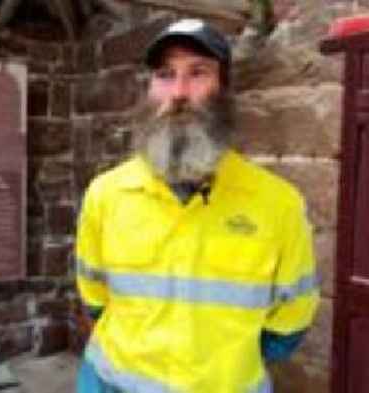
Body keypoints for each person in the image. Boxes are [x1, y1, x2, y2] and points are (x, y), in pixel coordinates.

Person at [74, 18, 319, 393]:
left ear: (224, 89)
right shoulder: (105, 194)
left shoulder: (279, 205)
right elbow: (94, 299)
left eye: (198, 73)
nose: (179, 92)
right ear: (150, 89)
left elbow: (289, 323)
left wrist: (222, 366)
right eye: (165, 74)